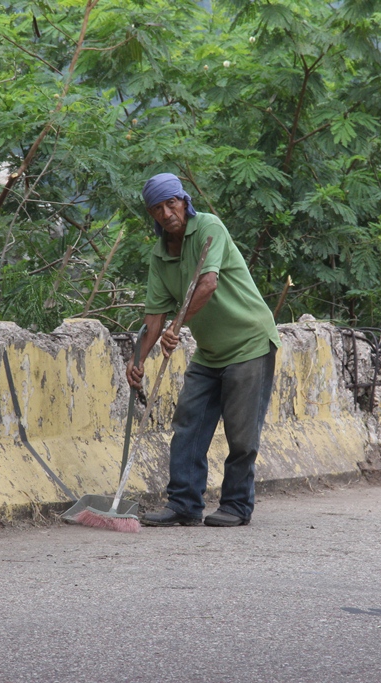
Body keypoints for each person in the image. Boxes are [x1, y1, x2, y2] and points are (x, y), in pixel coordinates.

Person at [128, 173, 280, 528]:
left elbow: (207, 284)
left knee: (241, 433)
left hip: (249, 343)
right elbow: (153, 318)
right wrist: (137, 361)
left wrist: (176, 327)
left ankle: (238, 505)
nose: (167, 213)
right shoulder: (160, 255)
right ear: (151, 214)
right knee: (189, 424)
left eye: (172, 203)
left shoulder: (209, 227)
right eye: (158, 208)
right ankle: (184, 504)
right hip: (211, 352)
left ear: (184, 202)